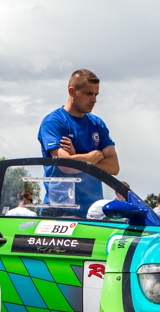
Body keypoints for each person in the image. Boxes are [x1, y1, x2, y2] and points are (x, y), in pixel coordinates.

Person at [38, 69, 119, 217]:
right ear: (72, 91)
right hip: (60, 211)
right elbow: (66, 166)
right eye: (89, 94)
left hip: (92, 213)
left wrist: (77, 157)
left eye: (96, 95)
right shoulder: (53, 122)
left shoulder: (97, 124)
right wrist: (96, 154)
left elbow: (114, 167)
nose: (94, 100)